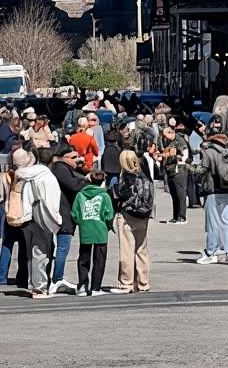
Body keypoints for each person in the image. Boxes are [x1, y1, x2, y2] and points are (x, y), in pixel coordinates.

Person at [12, 148, 62, 299]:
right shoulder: (45, 175)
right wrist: (56, 219)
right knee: (41, 252)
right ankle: (39, 288)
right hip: (42, 217)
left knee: (30, 253)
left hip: (26, 218)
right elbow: (51, 199)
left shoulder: (20, 176)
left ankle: (33, 284)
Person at [195, 116, 228, 265]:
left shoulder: (210, 152)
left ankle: (210, 252)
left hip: (213, 191)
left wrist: (190, 167)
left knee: (213, 223)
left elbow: (201, 170)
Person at [112, 149, 153, 292]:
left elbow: (122, 195)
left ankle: (126, 283)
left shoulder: (127, 178)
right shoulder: (144, 176)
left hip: (128, 216)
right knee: (141, 250)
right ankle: (143, 282)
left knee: (127, 250)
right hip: (144, 215)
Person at [49, 143, 85, 295]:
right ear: (65, 158)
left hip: (66, 213)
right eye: (74, 157)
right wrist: (86, 179)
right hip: (63, 214)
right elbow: (72, 185)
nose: (77, 160)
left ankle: (58, 277)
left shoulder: (66, 169)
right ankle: (57, 278)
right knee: (62, 247)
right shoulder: (60, 169)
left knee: (63, 247)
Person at [72, 170, 116, 295]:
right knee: (99, 260)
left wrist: (81, 222)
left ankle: (82, 285)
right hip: (100, 230)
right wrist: (107, 224)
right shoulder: (105, 196)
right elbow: (109, 214)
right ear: (103, 181)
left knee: (83, 258)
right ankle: (96, 287)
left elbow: (75, 213)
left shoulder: (80, 195)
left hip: (85, 229)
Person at [0, 163, 29, 290]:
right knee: (24, 247)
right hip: (23, 215)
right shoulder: (27, 176)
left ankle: (1, 276)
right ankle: (22, 278)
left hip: (9, 214)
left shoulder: (4, 177)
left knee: (6, 246)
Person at [159, 124, 191, 223]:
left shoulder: (180, 141)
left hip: (179, 170)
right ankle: (175, 216)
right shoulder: (169, 142)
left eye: (165, 135)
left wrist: (172, 157)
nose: (164, 138)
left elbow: (185, 156)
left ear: (171, 132)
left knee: (180, 194)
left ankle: (182, 216)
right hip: (170, 170)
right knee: (173, 194)